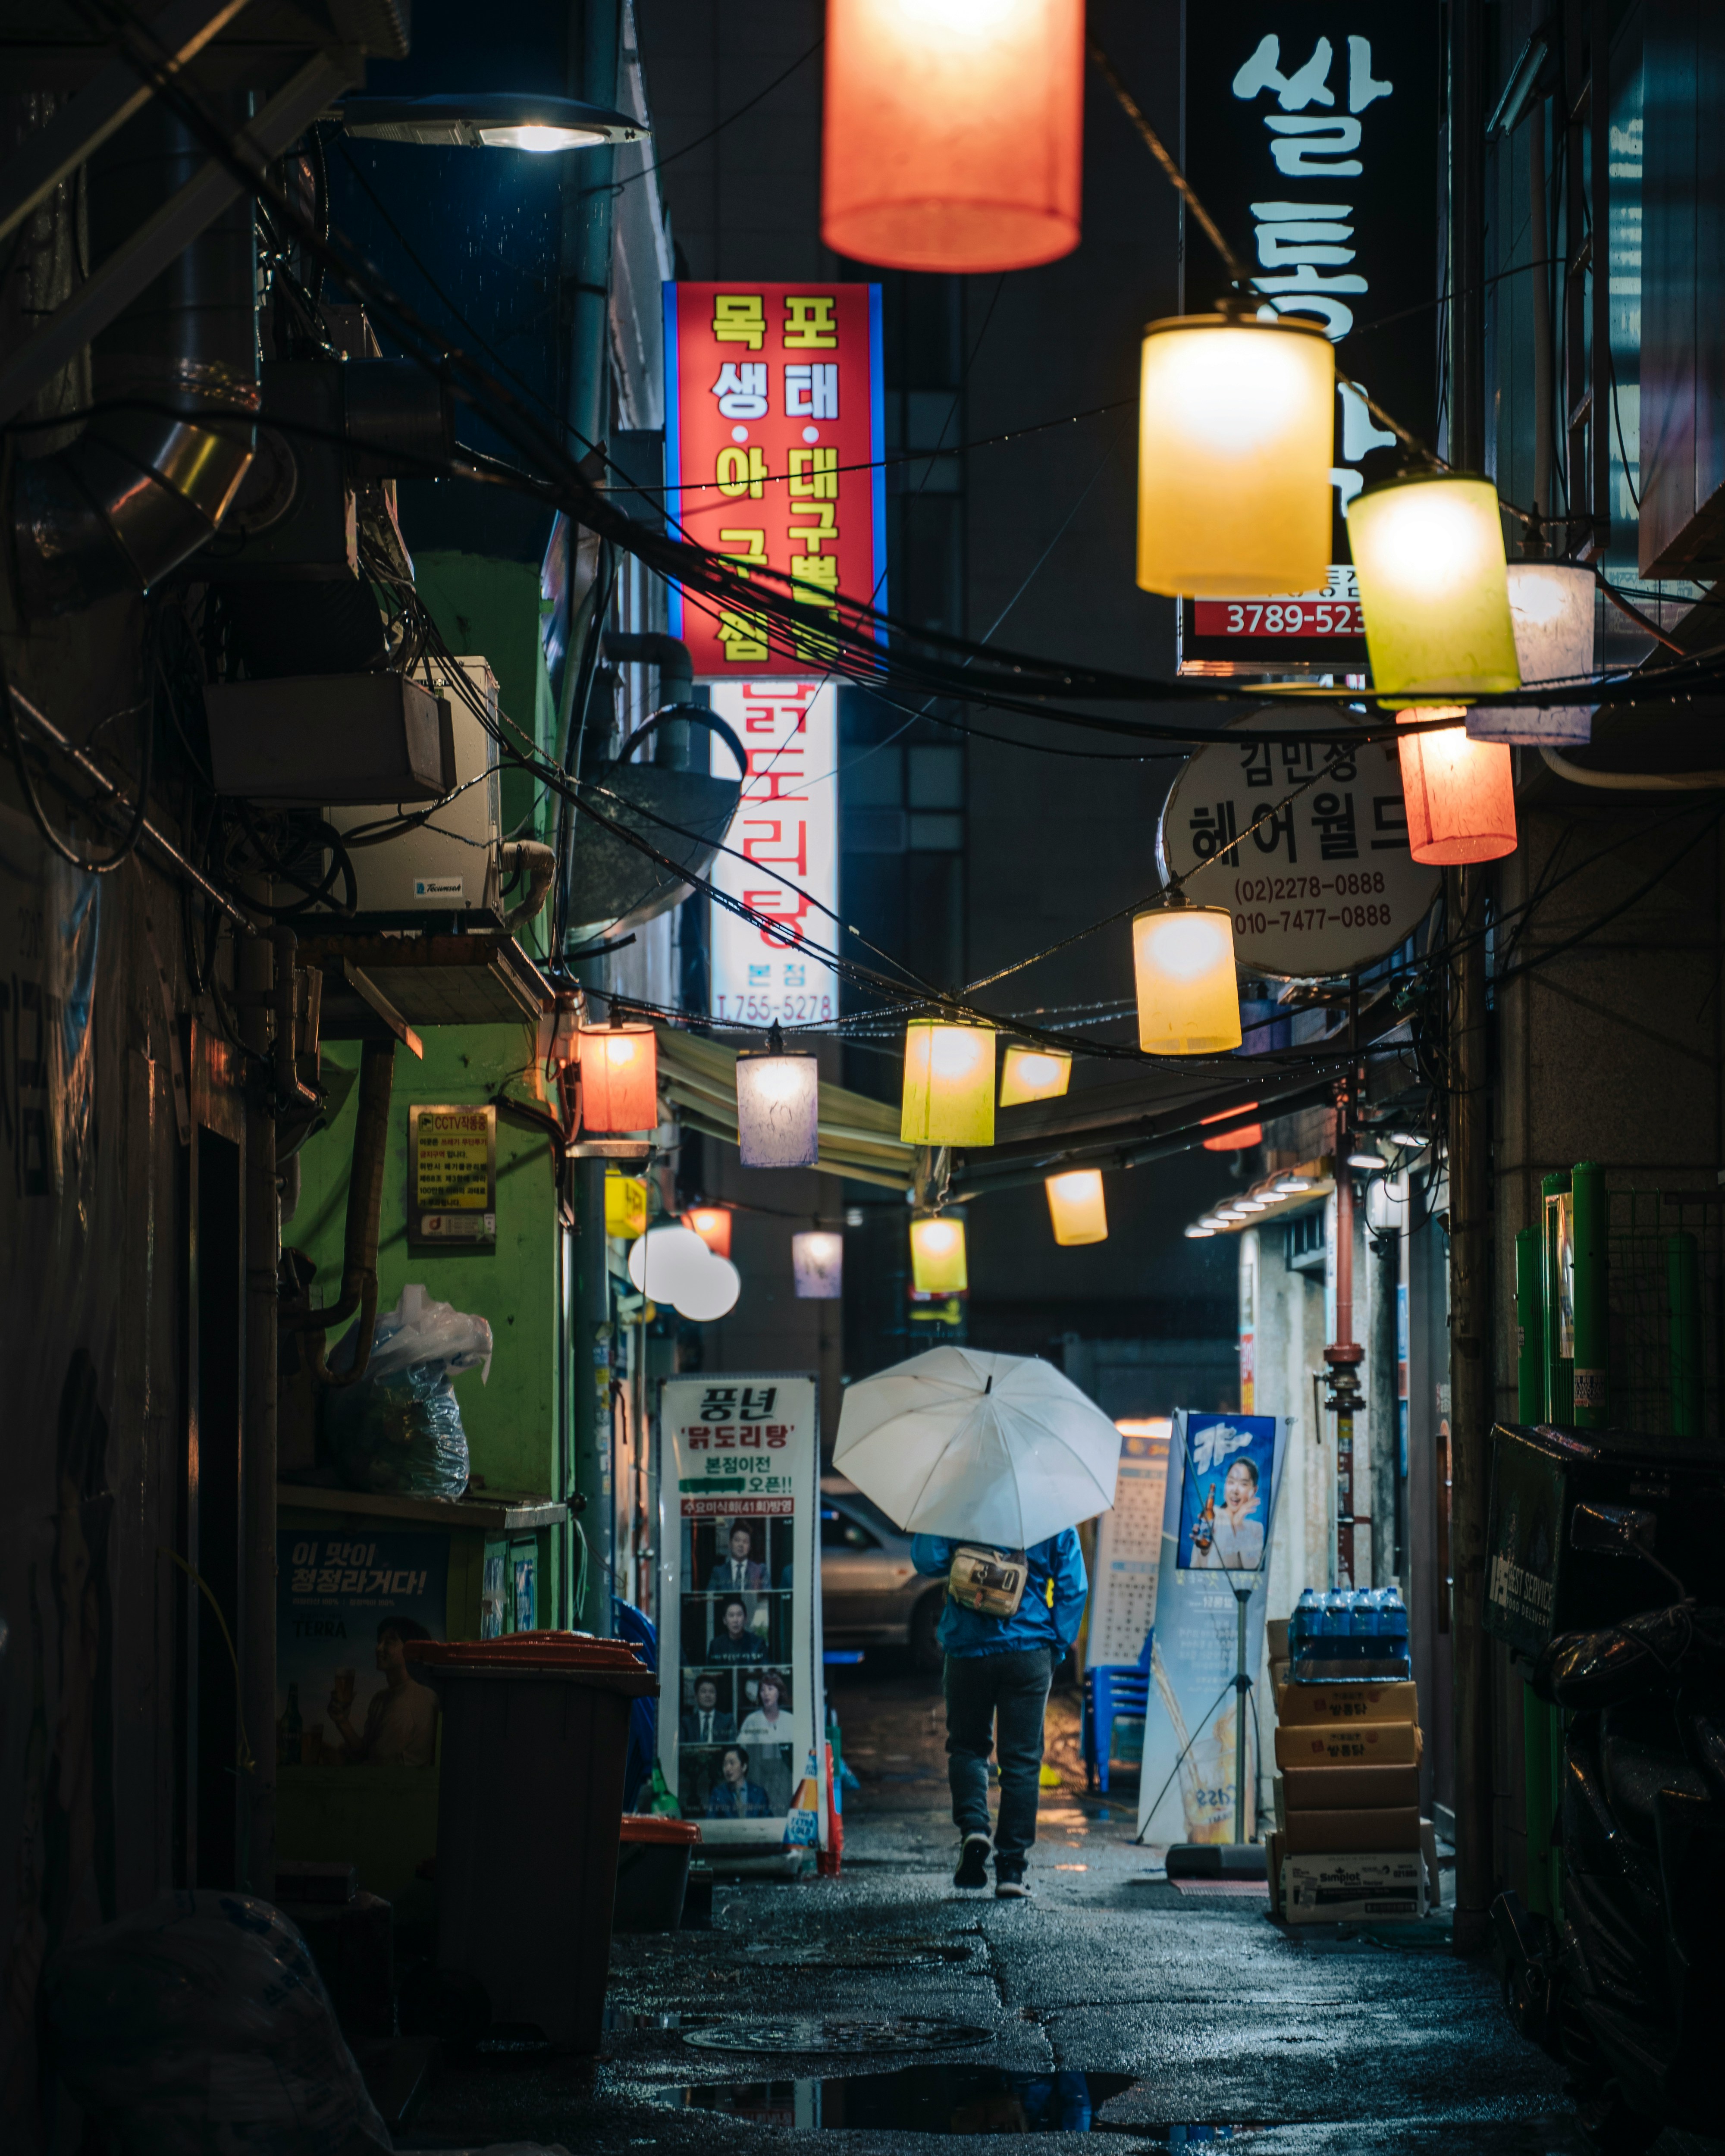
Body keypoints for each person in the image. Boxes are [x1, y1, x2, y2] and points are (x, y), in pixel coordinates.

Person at [912, 1527, 1087, 1899]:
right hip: (1029, 1649)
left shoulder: (962, 1498)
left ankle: (975, 1828)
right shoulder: (1050, 1507)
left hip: (968, 1649)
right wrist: (1055, 1644)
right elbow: (1074, 1586)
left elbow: (927, 1561)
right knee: (1022, 1760)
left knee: (968, 1748)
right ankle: (1011, 1868)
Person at [328, 1618, 440, 1766]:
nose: (379, 1648)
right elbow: (367, 1753)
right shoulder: (381, 1698)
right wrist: (342, 1722)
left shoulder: (412, 1699)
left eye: (389, 1642)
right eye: (380, 1641)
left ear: (411, 1651)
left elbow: (380, 1765)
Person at [1192, 1456, 1265, 1571]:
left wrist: (1239, 1525)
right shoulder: (1212, 1516)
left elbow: (1253, 1567)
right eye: (1231, 1482)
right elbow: (1195, 1566)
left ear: (1254, 1491)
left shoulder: (1256, 1529)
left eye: (1243, 1484)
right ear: (1225, 1484)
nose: (1235, 1491)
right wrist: (1204, 1550)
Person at [705, 1743, 772, 1818]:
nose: (728, 1769)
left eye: (732, 1763)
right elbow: (711, 1822)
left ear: (744, 1767)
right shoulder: (718, 1794)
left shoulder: (759, 1794)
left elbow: (768, 1821)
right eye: (725, 1764)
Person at [707, 1522, 767, 1592]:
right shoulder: (718, 1573)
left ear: (750, 1547)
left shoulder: (761, 1571)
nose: (741, 1545)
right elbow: (710, 1598)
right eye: (737, 1540)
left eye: (745, 1542)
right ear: (730, 1544)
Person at [680, 1674, 735, 1744]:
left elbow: (732, 1748)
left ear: (716, 1696)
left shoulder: (727, 1721)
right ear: (696, 1696)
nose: (708, 1695)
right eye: (704, 1692)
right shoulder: (687, 1724)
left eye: (712, 1692)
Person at [706, 1595, 759, 1662]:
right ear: (725, 1621)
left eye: (739, 1615)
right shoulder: (716, 1645)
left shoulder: (758, 1644)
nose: (735, 1620)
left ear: (745, 1619)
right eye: (731, 1616)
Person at [737, 1671, 790, 1739]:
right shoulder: (751, 1720)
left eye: (770, 1689)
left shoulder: (790, 1720)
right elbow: (742, 1745)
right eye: (762, 1690)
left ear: (779, 1692)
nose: (766, 1693)